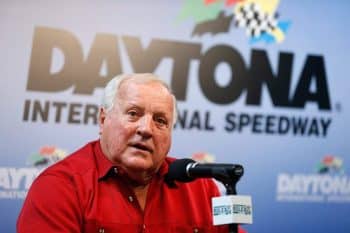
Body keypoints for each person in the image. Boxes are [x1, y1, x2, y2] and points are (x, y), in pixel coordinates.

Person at [17, 73, 245, 233]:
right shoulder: (59, 187)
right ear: (103, 119)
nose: (146, 129)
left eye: (160, 120)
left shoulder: (201, 187)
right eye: (134, 114)